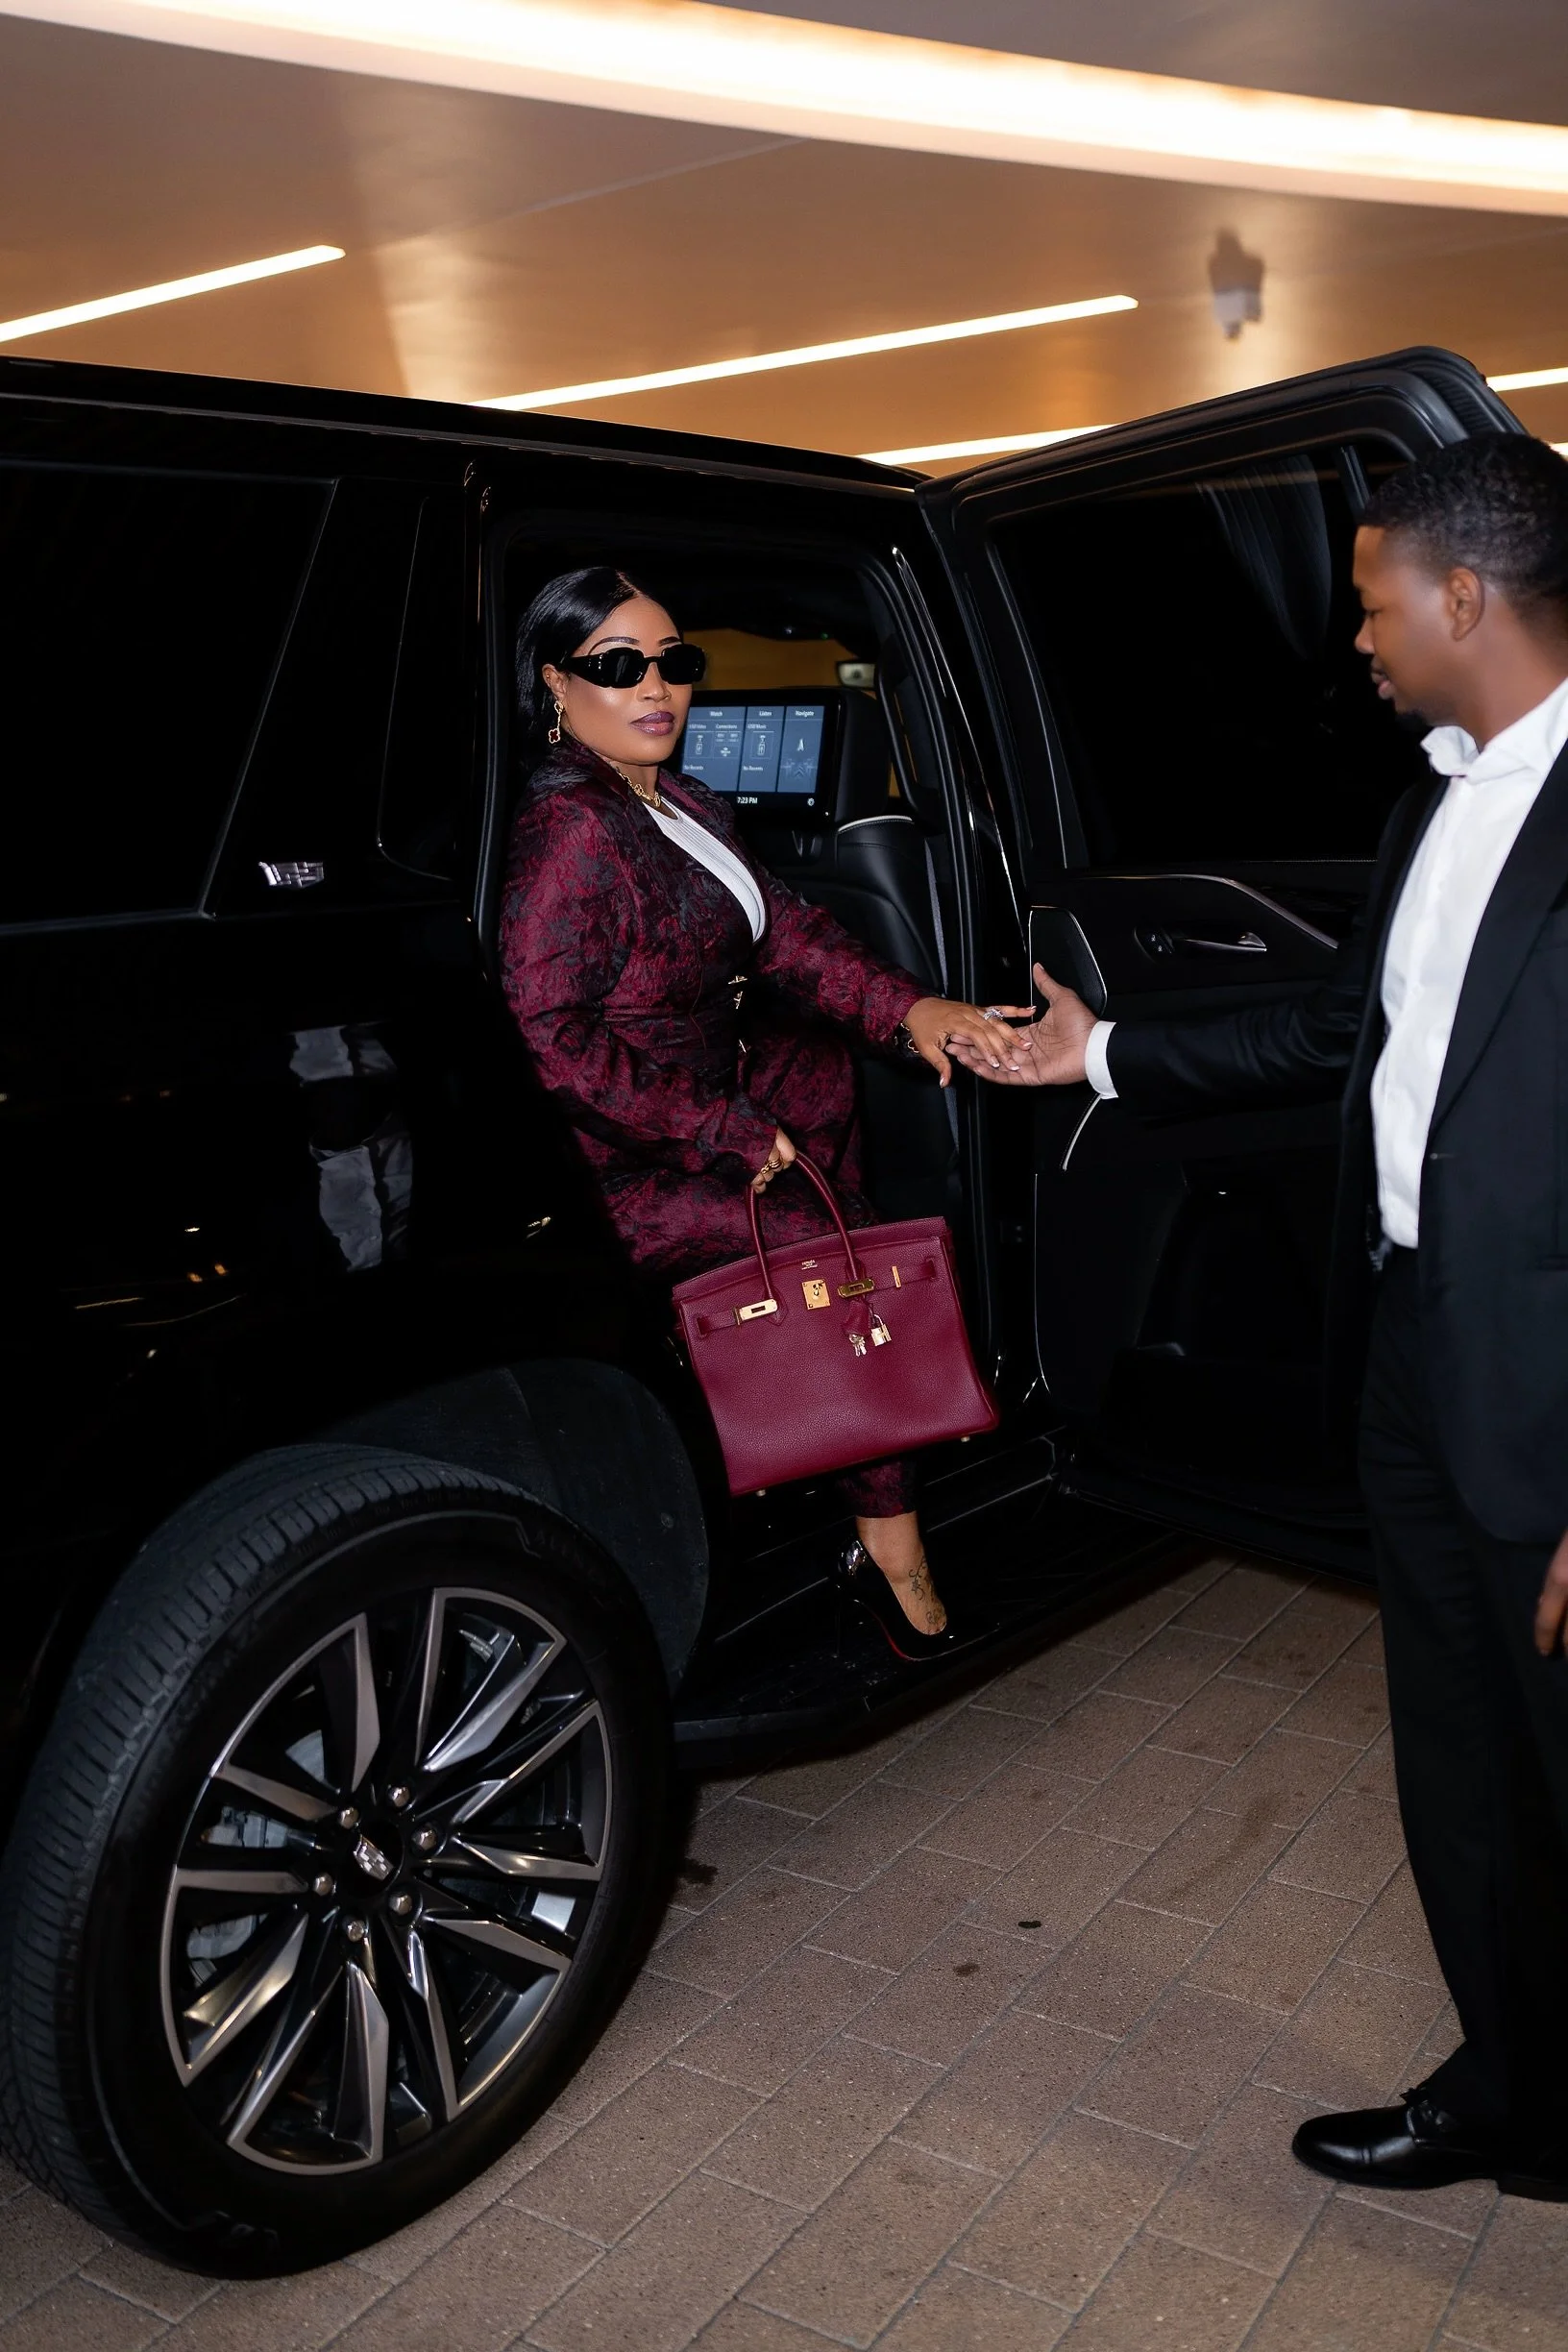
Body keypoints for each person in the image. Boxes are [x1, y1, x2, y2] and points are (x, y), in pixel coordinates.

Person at [955, 433, 1568, 2200]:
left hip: (1553, 1393)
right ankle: (1516, 2100)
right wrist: (1103, 1054)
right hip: (1412, 1350)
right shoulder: (1430, 802)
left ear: (1465, 596)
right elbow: (1336, 1031)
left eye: (1373, 602)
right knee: (1458, 1760)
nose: (1356, 637)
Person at [501, 565, 1023, 1659]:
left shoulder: (675, 800)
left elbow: (786, 934)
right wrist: (720, 1129)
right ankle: (892, 1558)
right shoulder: (572, 830)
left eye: (675, 662)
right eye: (619, 666)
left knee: (822, 1075)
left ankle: (807, 1411)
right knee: (838, 1260)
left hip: (704, 1104)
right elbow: (548, 1035)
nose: (657, 688)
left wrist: (912, 1009)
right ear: (555, 681)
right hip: (621, 1164)